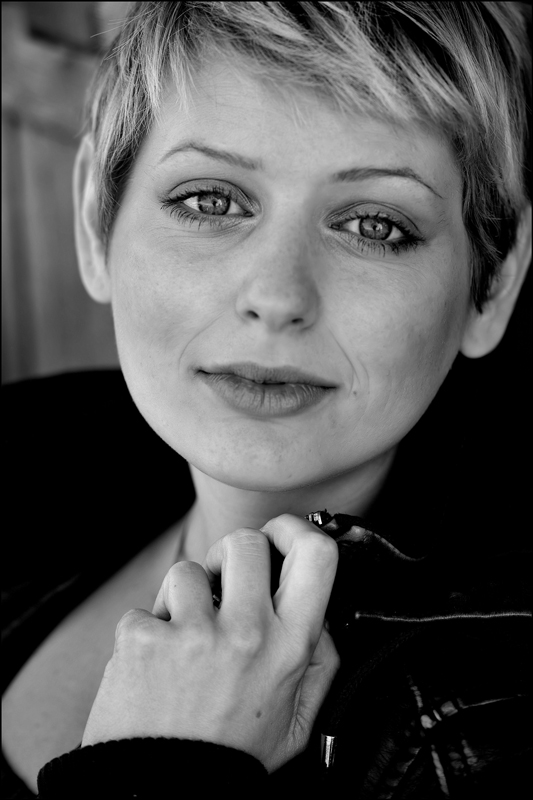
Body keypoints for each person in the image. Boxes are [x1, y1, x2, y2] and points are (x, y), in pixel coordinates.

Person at [2, 1, 531, 797]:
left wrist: (162, 778)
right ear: (95, 222)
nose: (277, 297)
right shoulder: (22, 452)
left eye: (374, 225)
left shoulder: (490, 719)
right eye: (210, 201)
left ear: (491, 284)